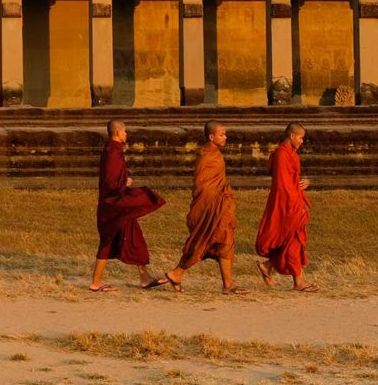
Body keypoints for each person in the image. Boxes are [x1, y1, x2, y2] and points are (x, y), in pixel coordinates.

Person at [155, 120, 248, 295]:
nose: (225, 137)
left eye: (225, 134)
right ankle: (177, 273)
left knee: (224, 241)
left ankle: (227, 283)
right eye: (222, 134)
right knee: (203, 241)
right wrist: (218, 199)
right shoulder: (206, 156)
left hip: (220, 207)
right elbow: (201, 185)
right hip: (210, 206)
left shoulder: (215, 154)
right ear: (212, 137)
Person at [89, 119, 166, 291]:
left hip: (119, 204)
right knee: (107, 241)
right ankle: (95, 282)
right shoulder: (112, 152)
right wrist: (125, 182)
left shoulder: (113, 150)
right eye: (125, 131)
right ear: (117, 132)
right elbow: (110, 182)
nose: (126, 134)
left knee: (133, 236)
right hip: (113, 204)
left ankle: (144, 277)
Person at [255, 123, 317, 292]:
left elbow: (291, 180)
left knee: (291, 239)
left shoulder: (290, 154)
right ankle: (298, 281)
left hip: (292, 198)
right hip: (286, 202)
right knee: (293, 239)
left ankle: (267, 266)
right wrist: (296, 205)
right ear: (291, 136)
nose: (302, 141)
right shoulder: (282, 154)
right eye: (300, 138)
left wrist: (305, 183)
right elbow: (283, 185)